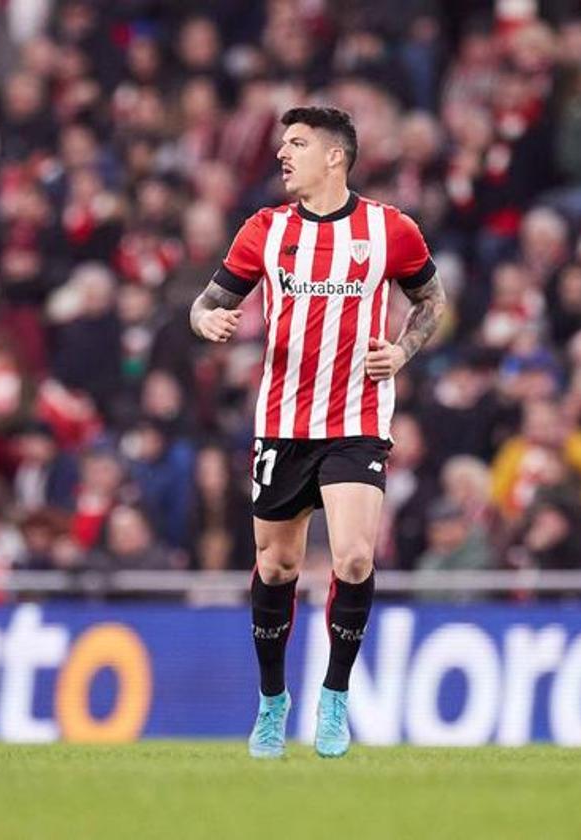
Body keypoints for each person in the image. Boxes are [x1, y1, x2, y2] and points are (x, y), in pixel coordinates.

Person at [189, 106, 446, 758]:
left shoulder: (390, 230)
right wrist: (207, 324)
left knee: (355, 555)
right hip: (281, 424)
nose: (284, 154)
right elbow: (206, 302)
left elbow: (431, 300)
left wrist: (403, 351)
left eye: (297, 143)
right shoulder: (264, 231)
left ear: (336, 156)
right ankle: (273, 700)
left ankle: (334, 696)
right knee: (277, 566)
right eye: (283, 144)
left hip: (356, 421)